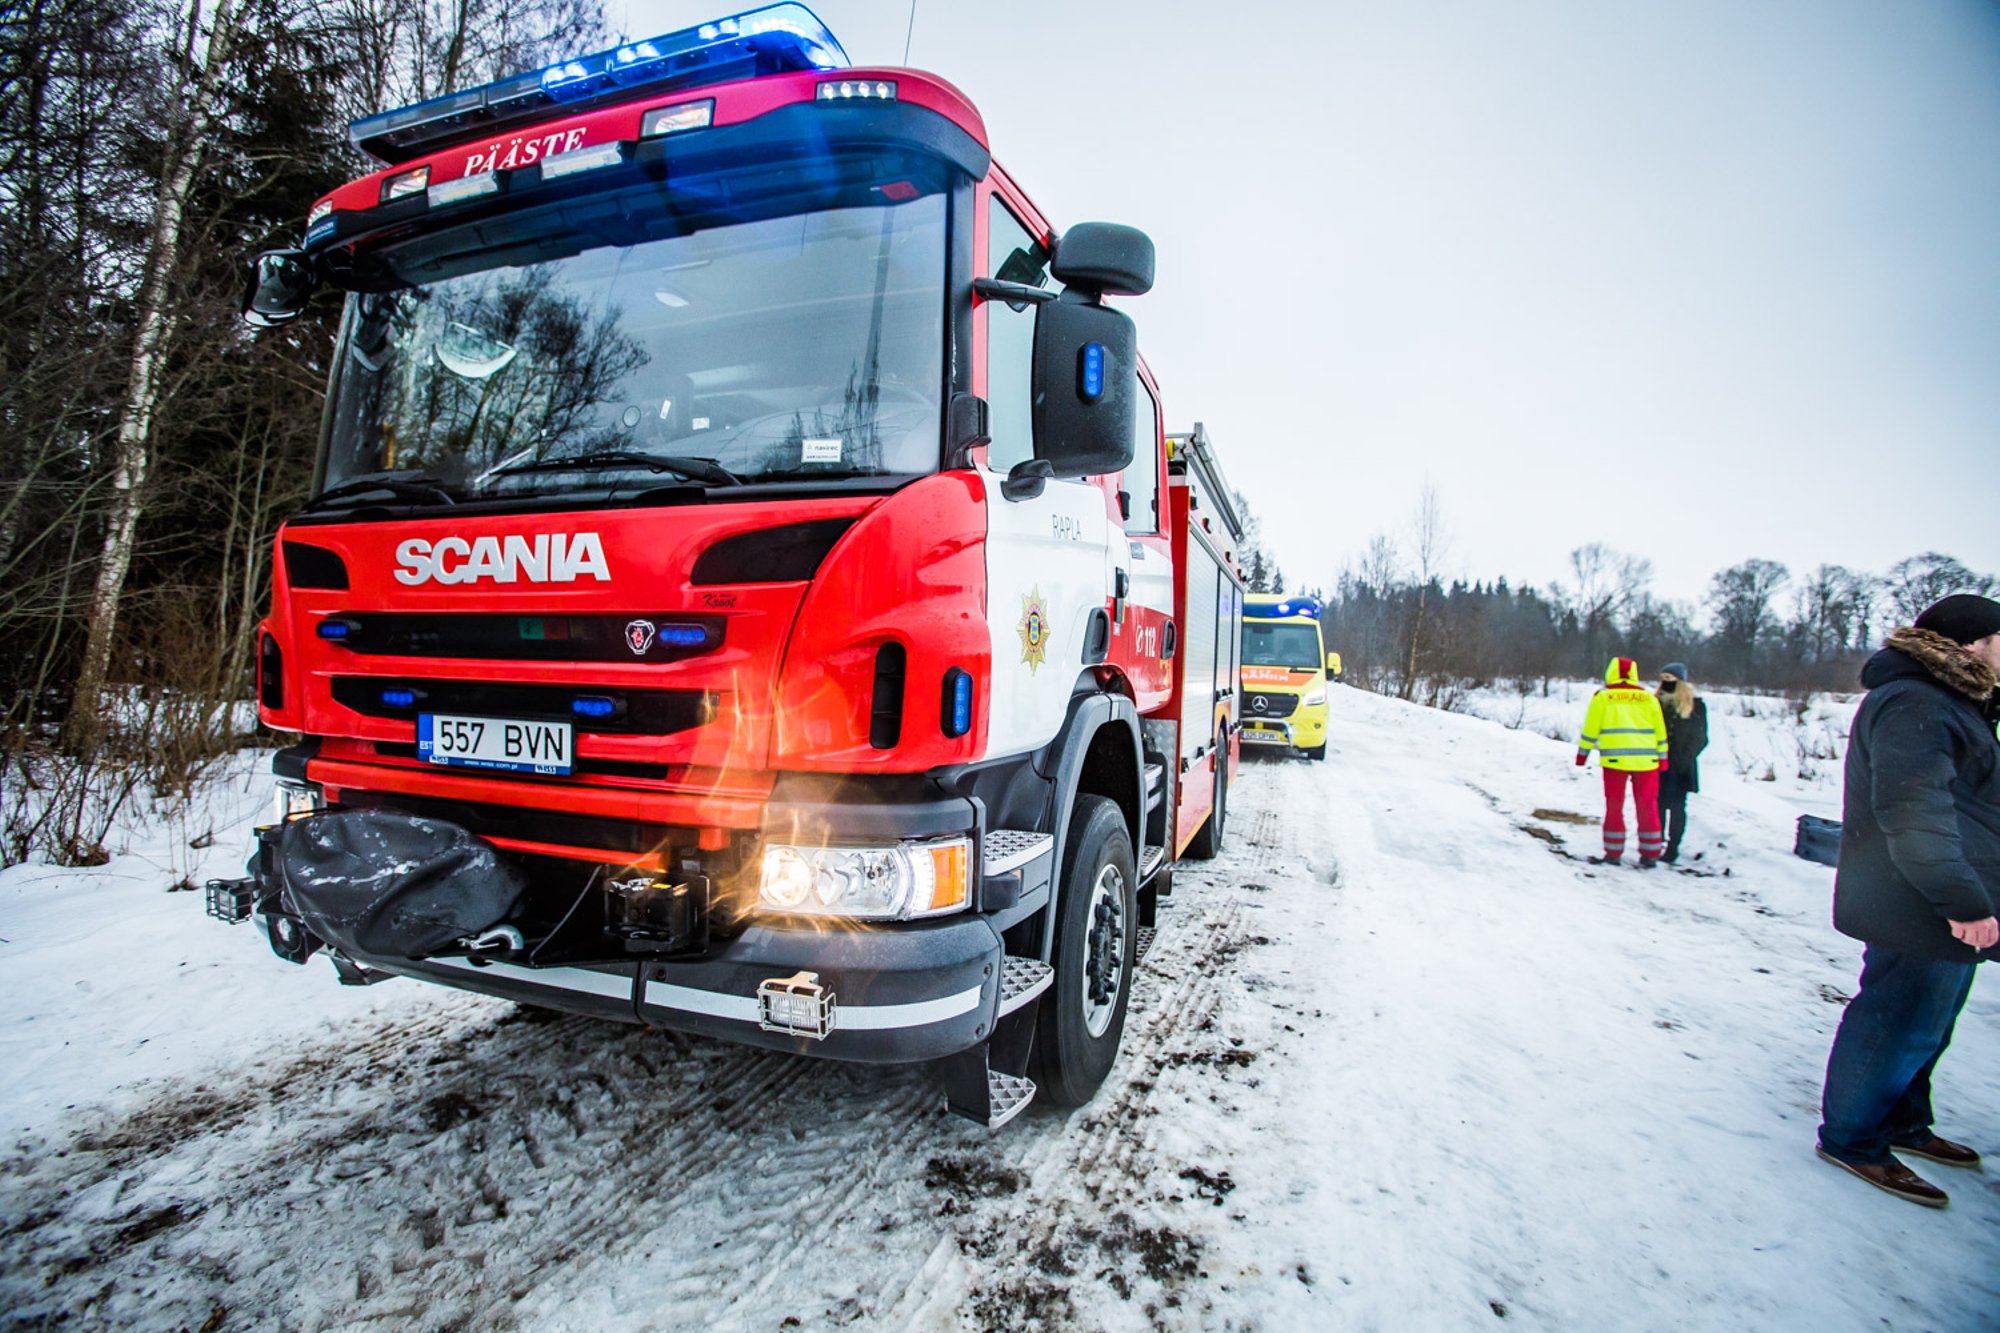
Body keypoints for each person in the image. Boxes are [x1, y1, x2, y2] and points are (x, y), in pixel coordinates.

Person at [1816, 593, 2000, 1208]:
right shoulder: (1916, 703)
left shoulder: (1953, 702)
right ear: (1973, 644)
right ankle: (1853, 1138)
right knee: (1895, 1020)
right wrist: (1963, 900)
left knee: (1929, 1023)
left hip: (1941, 892)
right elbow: (1915, 813)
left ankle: (1902, 1123)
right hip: (1917, 896)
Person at [1575, 656, 1669, 868]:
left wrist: (1582, 755)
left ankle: (1613, 851)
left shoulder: (1603, 697)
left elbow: (1591, 729)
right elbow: (1660, 733)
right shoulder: (1648, 698)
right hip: (1646, 762)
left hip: (1615, 761)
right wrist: (1663, 760)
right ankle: (1651, 853)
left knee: (1614, 805)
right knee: (1648, 806)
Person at [1654, 662, 1708, 863]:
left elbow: (1701, 737)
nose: (1665, 683)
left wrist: (1685, 757)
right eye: (1663, 679)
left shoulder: (1695, 706)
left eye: (1670, 679)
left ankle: (1673, 847)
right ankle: (1655, 842)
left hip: (1681, 766)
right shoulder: (1656, 702)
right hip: (1659, 762)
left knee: (1677, 807)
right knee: (1658, 805)